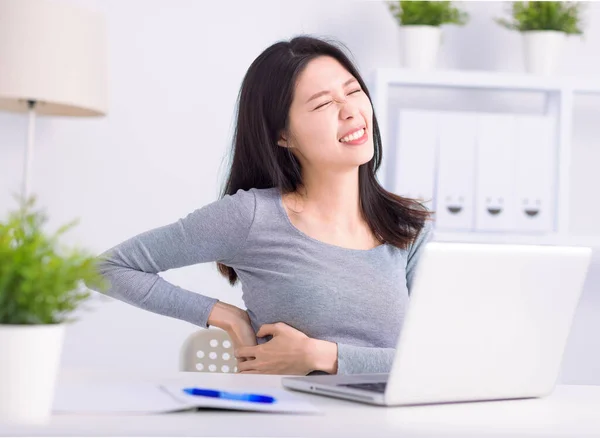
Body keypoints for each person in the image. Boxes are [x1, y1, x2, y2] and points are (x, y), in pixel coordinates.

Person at [96, 35, 433, 376]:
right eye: (322, 104)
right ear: (283, 135)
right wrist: (224, 315)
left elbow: (434, 363)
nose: (350, 111)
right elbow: (107, 269)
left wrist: (322, 356)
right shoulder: (251, 216)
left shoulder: (409, 227)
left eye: (353, 90)